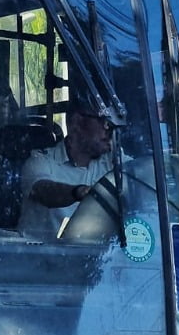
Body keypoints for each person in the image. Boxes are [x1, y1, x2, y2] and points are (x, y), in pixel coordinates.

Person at [17, 98, 115, 240]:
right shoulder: (41, 161)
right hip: (39, 258)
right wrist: (78, 192)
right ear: (76, 122)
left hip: (97, 259)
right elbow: (43, 191)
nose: (109, 128)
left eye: (112, 123)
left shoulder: (114, 163)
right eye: (103, 120)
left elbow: (145, 178)